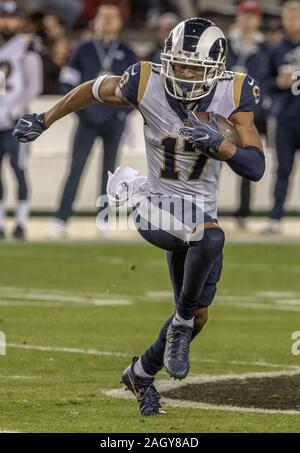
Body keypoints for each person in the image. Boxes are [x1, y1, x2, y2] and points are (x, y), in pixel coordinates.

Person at [13, 18, 265, 415]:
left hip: (199, 212)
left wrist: (222, 145)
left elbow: (256, 167)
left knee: (199, 315)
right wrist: (44, 120)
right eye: (179, 65)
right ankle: (177, 327)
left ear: (214, 69)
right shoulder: (145, 80)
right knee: (210, 241)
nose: (184, 74)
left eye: (193, 68)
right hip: (154, 204)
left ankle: (141, 373)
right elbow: (92, 89)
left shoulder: (235, 92)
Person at [48, 2, 137, 238]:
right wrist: (80, 111)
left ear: (119, 22)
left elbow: (138, 91)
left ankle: (104, 219)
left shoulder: (127, 52)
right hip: (87, 119)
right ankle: (61, 219)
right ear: (95, 21)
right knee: (75, 169)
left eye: (112, 17)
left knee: (109, 173)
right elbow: (67, 82)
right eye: (103, 17)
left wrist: (121, 114)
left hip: (113, 121)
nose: (107, 22)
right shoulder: (83, 50)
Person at [0, 0, 43, 240]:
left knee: (18, 170)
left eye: (11, 17)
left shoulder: (26, 46)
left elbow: (33, 85)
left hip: (14, 122)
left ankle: (21, 221)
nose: (6, 22)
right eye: (3, 17)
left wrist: (15, 108)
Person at [227, 0, 270, 228]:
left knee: (249, 161)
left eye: (252, 15)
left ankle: (243, 212)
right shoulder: (225, 44)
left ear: (258, 19)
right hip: (223, 111)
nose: (248, 19)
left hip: (251, 114)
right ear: (239, 16)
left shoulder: (265, 49)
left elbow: (268, 81)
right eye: (245, 14)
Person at [263, 1, 300, 234]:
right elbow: (262, 81)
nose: (293, 22)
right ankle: (275, 216)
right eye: (290, 17)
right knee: (283, 169)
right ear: (283, 20)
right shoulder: (276, 49)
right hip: (286, 119)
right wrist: (277, 82)